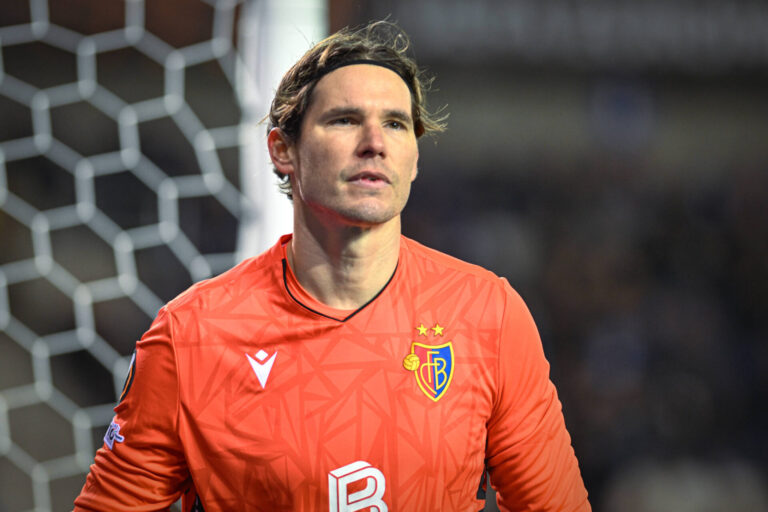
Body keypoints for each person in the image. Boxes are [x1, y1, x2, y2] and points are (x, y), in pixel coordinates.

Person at [74, 21, 590, 512]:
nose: (374, 143)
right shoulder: (193, 334)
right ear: (283, 150)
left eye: (395, 123)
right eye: (344, 120)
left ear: (414, 158)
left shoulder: (488, 316)